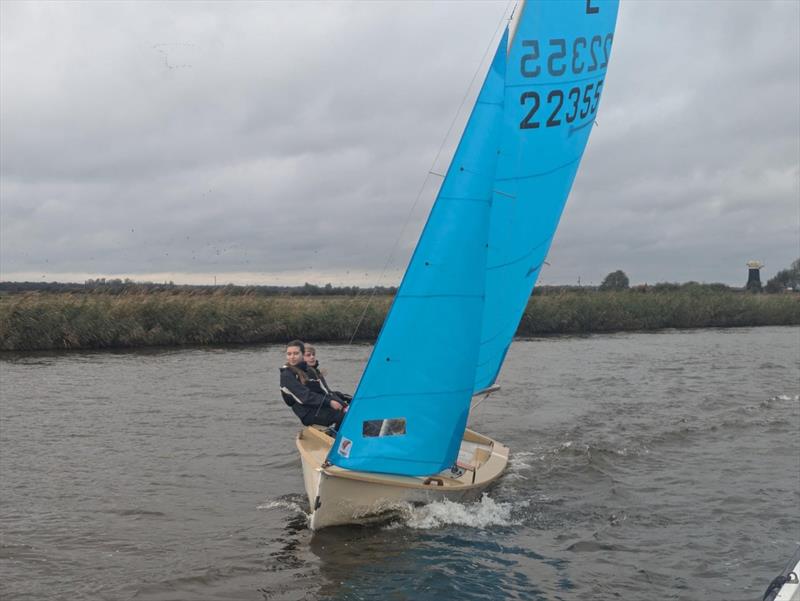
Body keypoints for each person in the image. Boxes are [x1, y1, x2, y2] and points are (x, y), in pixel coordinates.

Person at [279, 340, 347, 430]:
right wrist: (329, 402)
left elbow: (322, 392)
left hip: (318, 408)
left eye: (295, 353)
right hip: (308, 414)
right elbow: (305, 396)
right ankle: (337, 440)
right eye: (289, 354)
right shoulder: (287, 375)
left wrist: (343, 400)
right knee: (343, 417)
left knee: (351, 411)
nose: (292, 357)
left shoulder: (307, 370)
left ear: (302, 354)